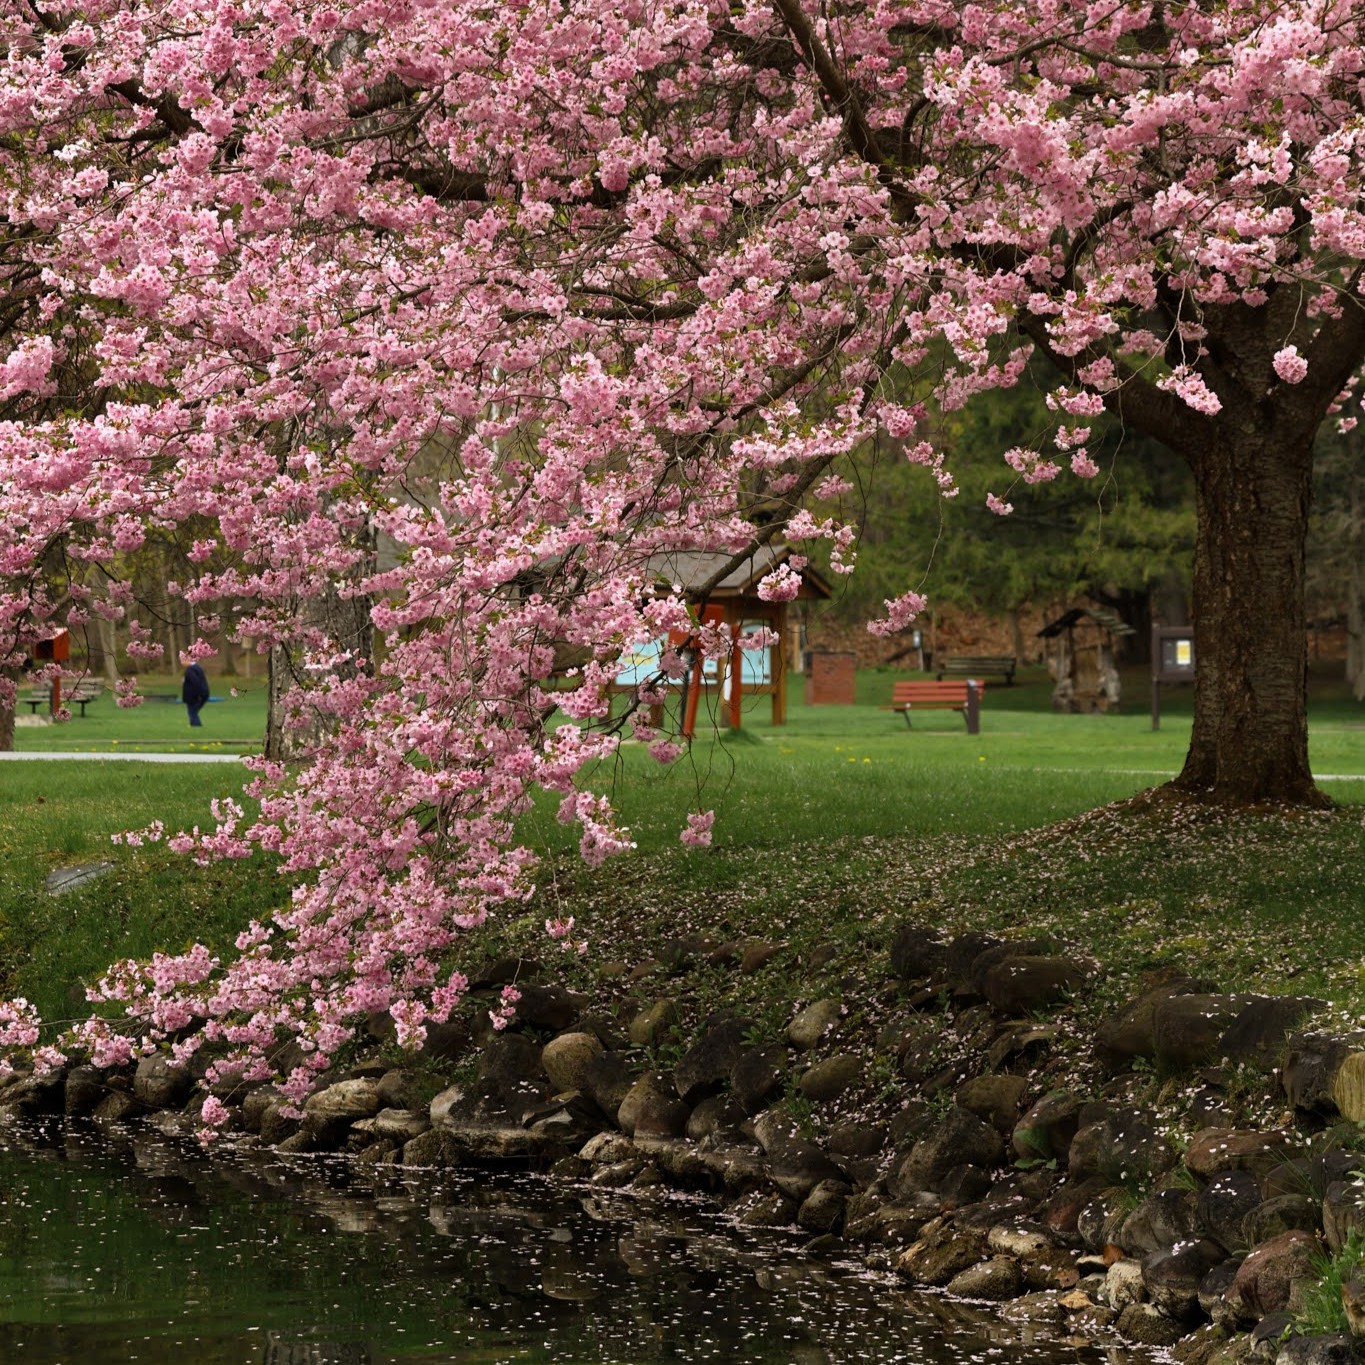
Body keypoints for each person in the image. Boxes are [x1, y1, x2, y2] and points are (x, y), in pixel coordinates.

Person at [182, 660, 209, 727]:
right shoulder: (197, 667)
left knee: (192, 711)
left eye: (182, 661)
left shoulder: (190, 670)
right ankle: (194, 724)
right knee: (193, 711)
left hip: (194, 695)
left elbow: (195, 682)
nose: (182, 663)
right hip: (202, 693)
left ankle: (196, 725)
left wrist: (198, 694)